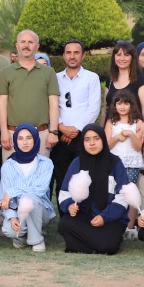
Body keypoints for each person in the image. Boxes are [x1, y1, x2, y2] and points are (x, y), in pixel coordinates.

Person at [56, 124, 132, 255]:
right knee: (63, 224)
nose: (92, 143)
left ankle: (82, 244)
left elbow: (123, 197)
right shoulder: (77, 163)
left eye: (96, 138)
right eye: (87, 139)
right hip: (85, 216)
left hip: (111, 218)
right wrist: (69, 206)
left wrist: (104, 217)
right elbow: (64, 192)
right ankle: (98, 244)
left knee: (109, 246)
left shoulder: (115, 163)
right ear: (82, 143)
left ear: (103, 139)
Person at [0, 31, 58, 162]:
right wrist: (4, 132)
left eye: (30, 42)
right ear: (17, 45)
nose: (26, 45)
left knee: (41, 173)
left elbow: (53, 103)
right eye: (23, 42)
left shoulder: (49, 72)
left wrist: (53, 132)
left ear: (37, 46)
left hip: (41, 134)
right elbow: (2, 104)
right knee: (11, 173)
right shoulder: (5, 73)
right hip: (13, 135)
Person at [52, 39, 103, 197]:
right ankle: (64, 211)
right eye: (68, 52)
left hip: (83, 136)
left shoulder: (91, 78)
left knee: (84, 179)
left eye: (76, 52)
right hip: (60, 136)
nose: (72, 56)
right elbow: (51, 105)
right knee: (61, 179)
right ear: (63, 55)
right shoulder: (55, 78)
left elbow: (93, 109)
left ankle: (82, 211)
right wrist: (62, 127)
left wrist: (75, 130)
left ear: (83, 55)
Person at [0, 123, 55, 251]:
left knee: (30, 198)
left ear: (35, 140)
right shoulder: (7, 166)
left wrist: (12, 192)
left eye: (29, 138)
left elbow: (40, 189)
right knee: (9, 230)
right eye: (20, 138)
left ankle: (37, 241)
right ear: (15, 141)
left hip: (40, 211)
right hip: (17, 212)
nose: (25, 142)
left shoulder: (46, 163)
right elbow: (3, 197)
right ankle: (22, 238)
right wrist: (12, 216)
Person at [104, 41, 144, 129]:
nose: (122, 58)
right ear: (114, 58)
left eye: (126, 55)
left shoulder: (140, 80)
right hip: (111, 130)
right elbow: (105, 109)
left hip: (134, 130)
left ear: (132, 58)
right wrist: (101, 130)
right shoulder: (110, 81)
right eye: (118, 55)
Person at [104, 90, 144, 184]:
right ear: (115, 105)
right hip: (113, 163)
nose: (122, 107)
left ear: (131, 105)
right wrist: (117, 138)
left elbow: (139, 148)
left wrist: (131, 134)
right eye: (119, 104)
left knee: (129, 188)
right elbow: (106, 146)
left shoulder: (138, 123)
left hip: (132, 164)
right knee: (113, 188)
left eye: (126, 104)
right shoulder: (110, 122)